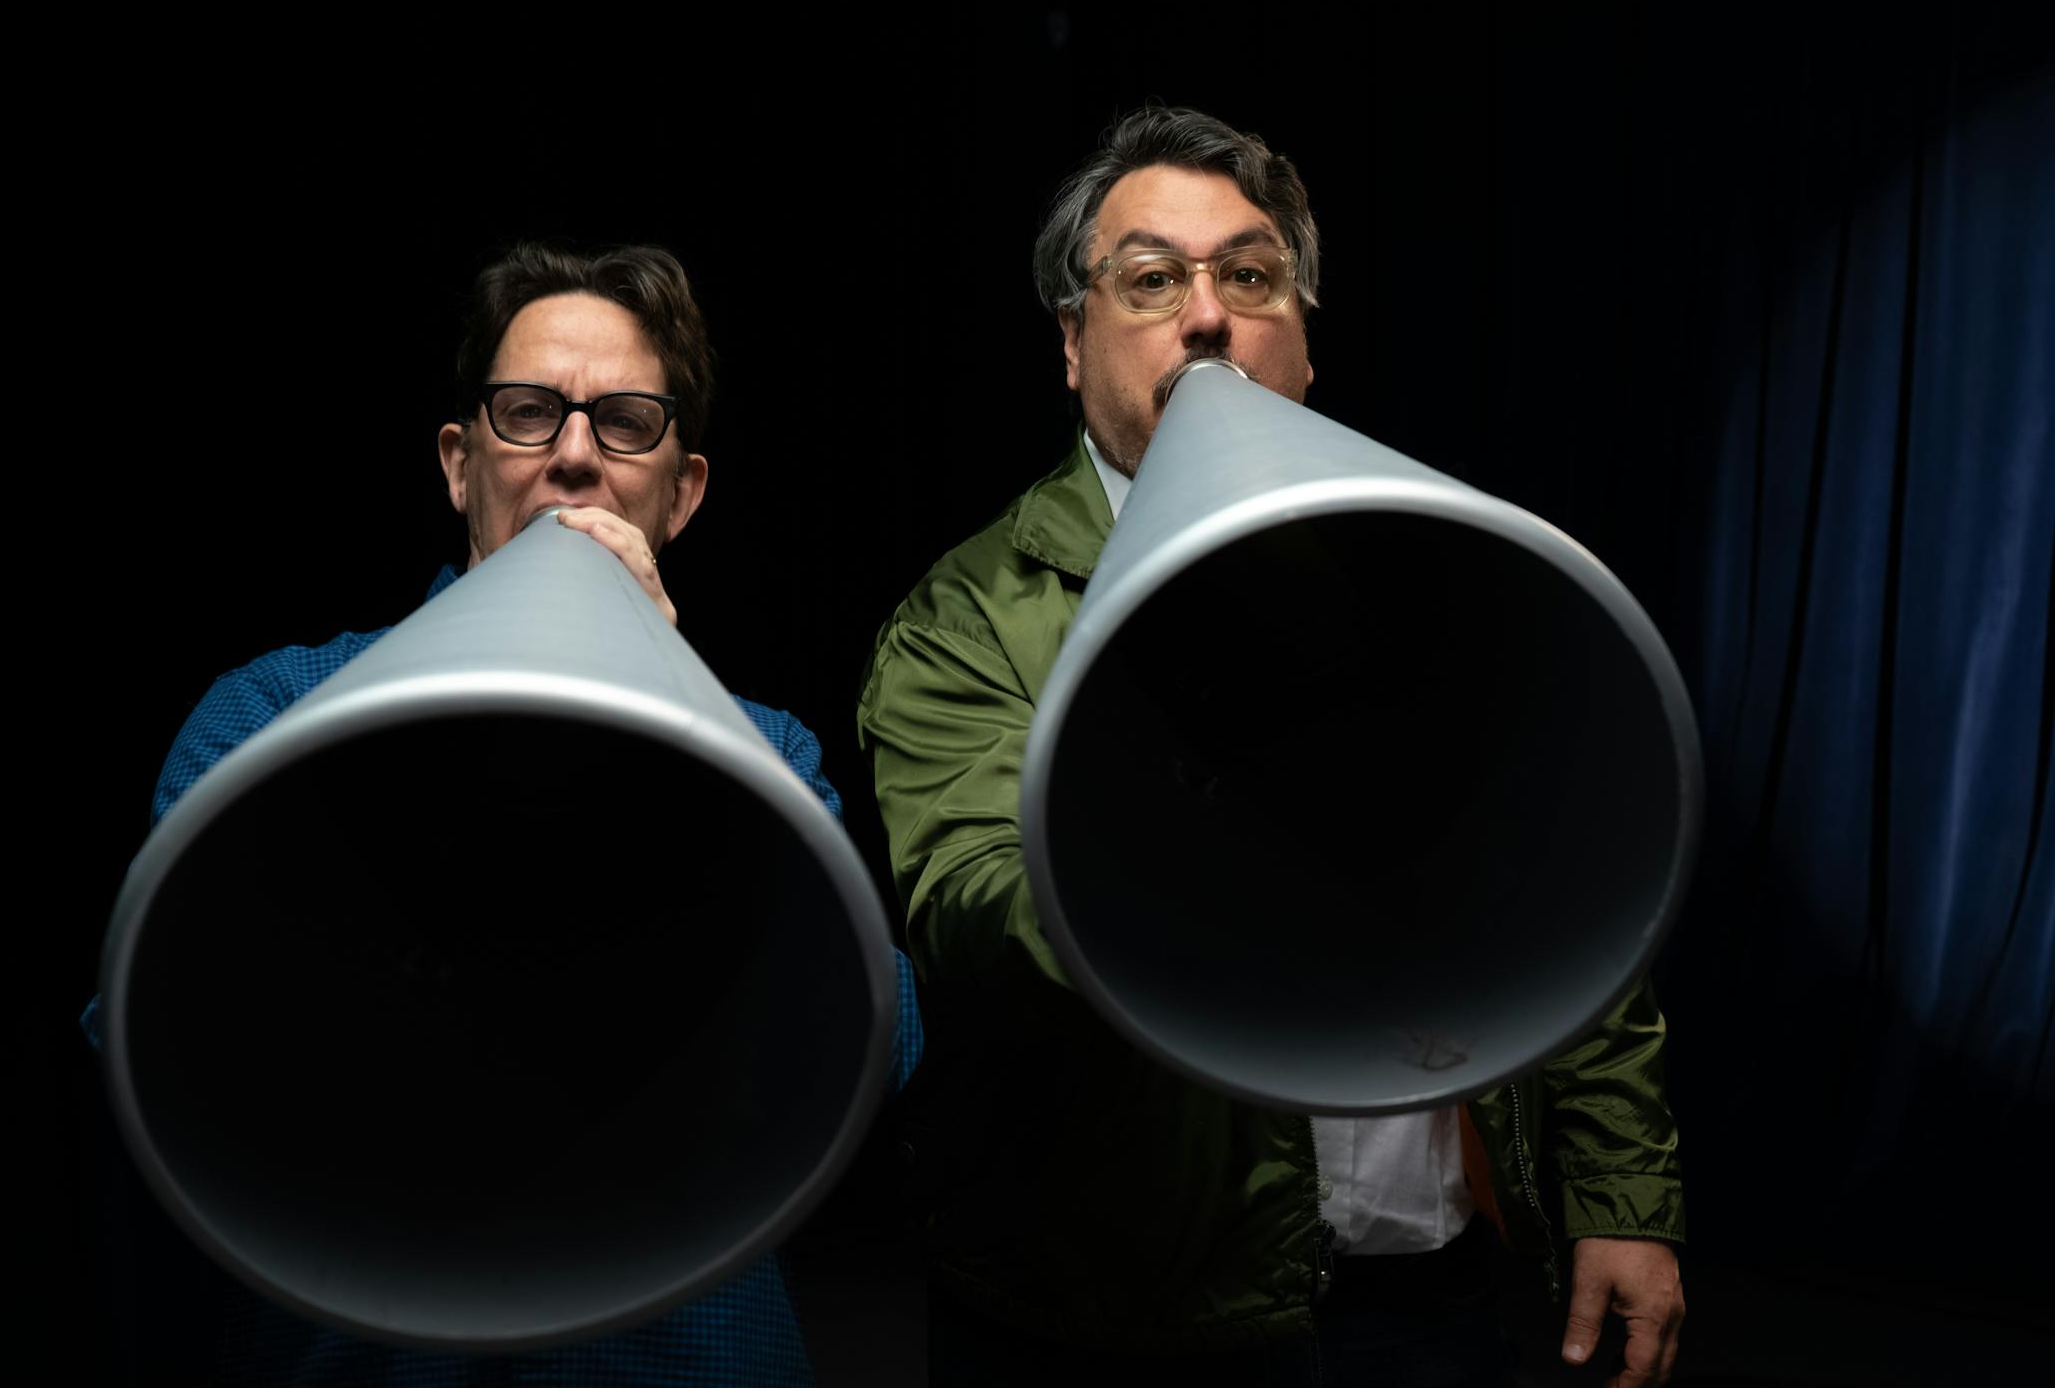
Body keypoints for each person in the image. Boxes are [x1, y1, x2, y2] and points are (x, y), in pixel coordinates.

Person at [857, 107, 1684, 1386]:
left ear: (1300, 341)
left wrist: (1622, 1192)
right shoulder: (966, 617)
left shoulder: (1435, 564)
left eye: (1249, 276)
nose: (1206, 316)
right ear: (1073, 344)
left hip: (1427, 1302)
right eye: (1150, 281)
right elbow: (971, 918)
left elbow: (1561, 889)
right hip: (1119, 1329)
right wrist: (1210, 792)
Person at [92, 241, 922, 1386]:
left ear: (682, 495)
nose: (573, 456)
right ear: (459, 464)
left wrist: (676, 723)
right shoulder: (275, 710)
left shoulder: (766, 749)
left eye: (625, 423)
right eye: (529, 413)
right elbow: (159, 1037)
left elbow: (879, 1044)